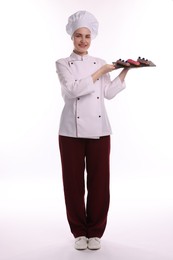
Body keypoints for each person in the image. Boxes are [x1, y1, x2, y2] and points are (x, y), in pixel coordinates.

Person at [55, 10, 130, 250]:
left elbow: (107, 94)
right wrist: (102, 72)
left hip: (100, 130)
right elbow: (75, 89)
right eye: (79, 35)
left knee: (99, 182)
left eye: (87, 36)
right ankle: (79, 232)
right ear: (72, 37)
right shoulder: (62, 64)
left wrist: (125, 70)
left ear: (92, 37)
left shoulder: (100, 62)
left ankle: (95, 231)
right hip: (70, 132)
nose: (83, 40)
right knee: (73, 183)